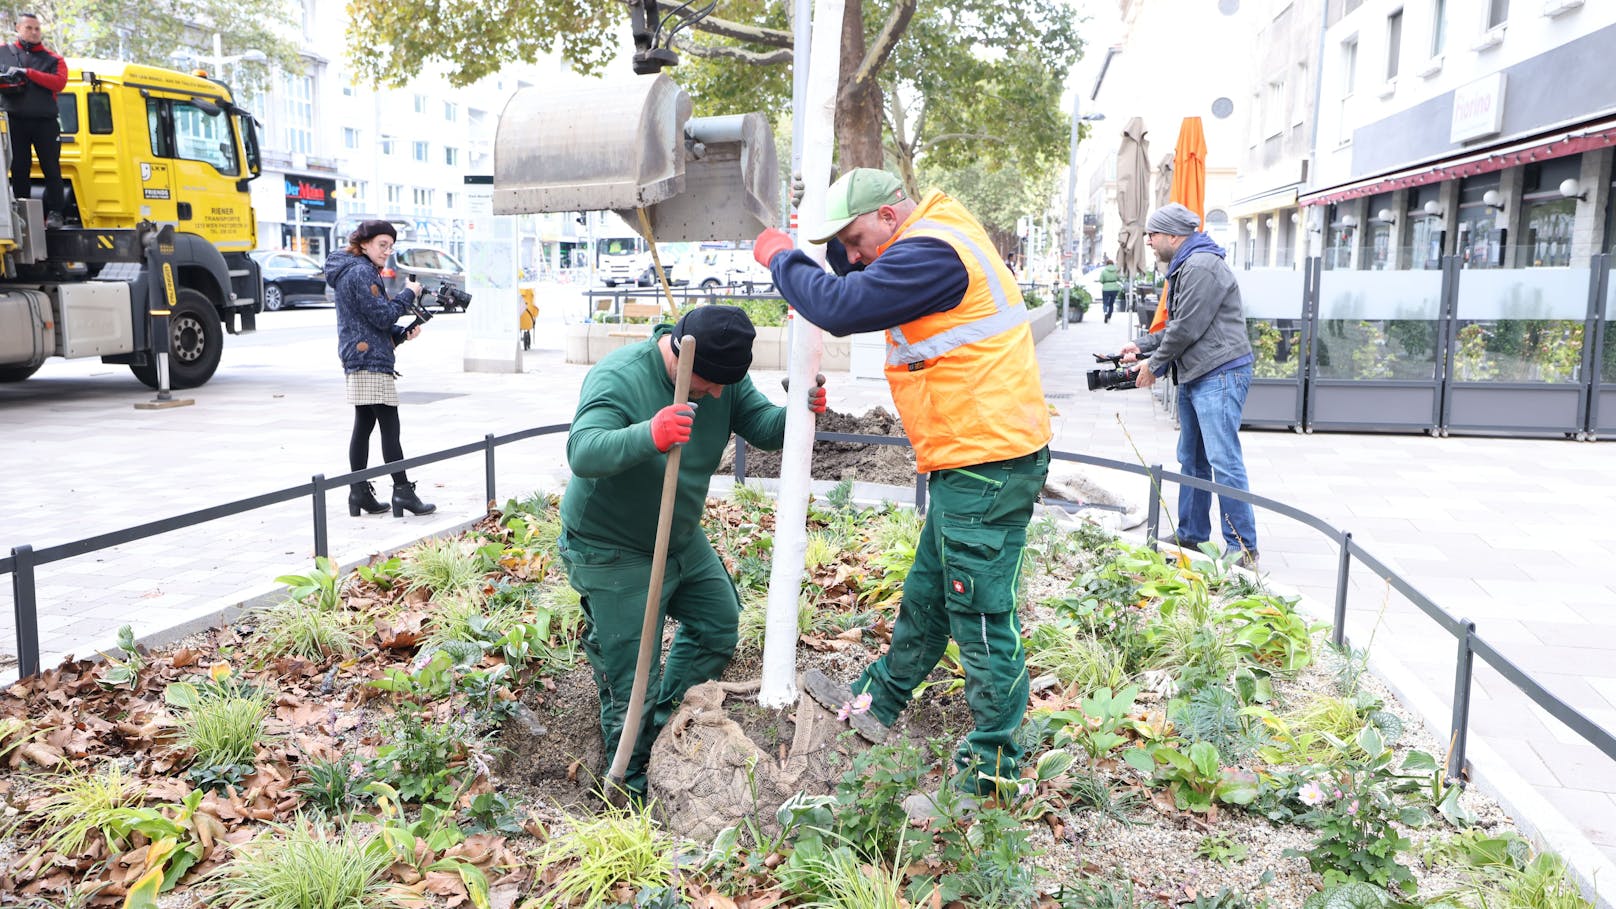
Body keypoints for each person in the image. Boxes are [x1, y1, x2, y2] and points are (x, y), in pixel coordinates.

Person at [754, 167, 1051, 818]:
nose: (855, 257)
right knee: (927, 596)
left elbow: (838, 306)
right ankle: (878, 702)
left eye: (857, 240)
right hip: (974, 457)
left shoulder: (931, 252)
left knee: (978, 617)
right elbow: (853, 284)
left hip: (987, 460)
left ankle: (991, 776)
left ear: (890, 215)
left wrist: (780, 255)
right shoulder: (936, 238)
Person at [559, 304, 825, 803]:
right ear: (681, 354)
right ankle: (629, 785)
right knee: (631, 673)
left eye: (728, 383)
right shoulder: (619, 377)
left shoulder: (720, 377)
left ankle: (665, 725)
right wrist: (651, 433)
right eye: (709, 382)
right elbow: (583, 450)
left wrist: (799, 410)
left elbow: (764, 426)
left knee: (718, 624)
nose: (719, 394)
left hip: (677, 533)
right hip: (611, 547)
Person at [1119, 202, 1258, 568]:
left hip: (1220, 373)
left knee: (1222, 460)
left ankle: (1242, 549)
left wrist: (1155, 365)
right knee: (1192, 461)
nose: (1148, 240)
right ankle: (1192, 535)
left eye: (1153, 234)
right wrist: (1143, 346)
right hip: (1199, 373)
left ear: (1174, 236)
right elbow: (1182, 325)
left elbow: (1187, 329)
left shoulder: (1200, 266)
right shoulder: (1187, 265)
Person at [324, 219, 436, 518]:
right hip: (369, 361)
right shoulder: (361, 272)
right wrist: (409, 294)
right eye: (381, 245)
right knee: (390, 426)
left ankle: (358, 492)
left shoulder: (354, 270)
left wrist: (401, 334)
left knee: (364, 424)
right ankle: (403, 492)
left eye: (390, 246)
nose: (387, 251)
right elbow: (382, 316)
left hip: (360, 357)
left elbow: (369, 322)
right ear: (363, 244)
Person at [0, 13, 67, 228]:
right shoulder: (3, 53)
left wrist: (27, 73)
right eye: (29, 28)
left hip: (45, 122)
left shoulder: (53, 59)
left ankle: (56, 213)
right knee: (19, 168)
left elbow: (59, 83)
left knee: (51, 168)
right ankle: (21, 214)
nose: (34, 32)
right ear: (17, 28)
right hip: (14, 120)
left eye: (37, 28)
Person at [1098, 256, 1121, 323]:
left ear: (1107, 264)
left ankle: (1105, 313)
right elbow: (1119, 278)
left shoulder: (1104, 271)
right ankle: (1109, 316)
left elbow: (1101, 280)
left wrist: (1105, 282)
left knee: (1105, 302)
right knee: (1111, 303)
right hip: (1114, 288)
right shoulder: (1116, 270)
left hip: (1106, 288)